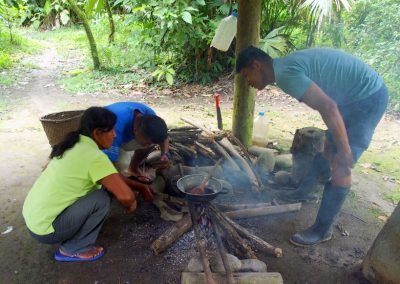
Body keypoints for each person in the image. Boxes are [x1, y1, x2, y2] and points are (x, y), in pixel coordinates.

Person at [236, 46, 388, 246]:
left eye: (247, 75)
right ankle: (303, 192)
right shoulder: (283, 67)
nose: (248, 82)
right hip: (354, 98)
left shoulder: (285, 74)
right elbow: (327, 104)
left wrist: (345, 150)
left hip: (367, 97)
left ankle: (322, 230)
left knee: (341, 166)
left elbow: (328, 107)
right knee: (327, 149)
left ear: (257, 65)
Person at [23, 107, 137, 262]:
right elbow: (126, 196)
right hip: (46, 230)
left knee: (102, 190)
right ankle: (72, 249)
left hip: (34, 218)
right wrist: (131, 206)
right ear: (97, 133)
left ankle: (76, 233)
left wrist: (139, 186)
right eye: (111, 130)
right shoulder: (94, 157)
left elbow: (113, 179)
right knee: (102, 198)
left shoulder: (73, 145)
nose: (115, 135)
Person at [104, 102, 170, 203]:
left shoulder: (150, 117)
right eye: (146, 142)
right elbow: (108, 170)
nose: (148, 146)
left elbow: (163, 136)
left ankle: (133, 168)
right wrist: (138, 187)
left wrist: (165, 154)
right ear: (135, 130)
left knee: (150, 141)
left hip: (123, 135)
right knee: (122, 163)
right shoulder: (114, 128)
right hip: (102, 139)